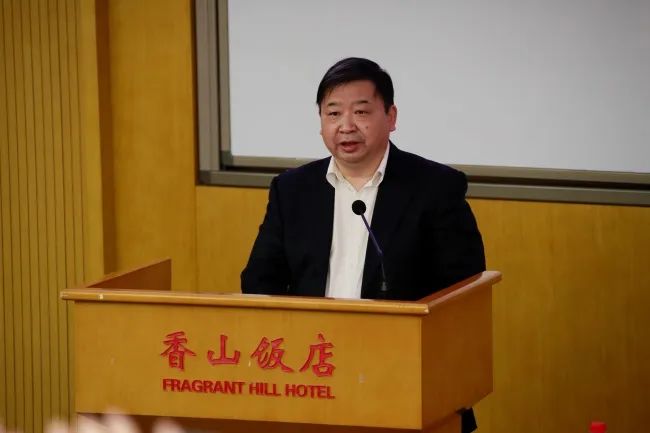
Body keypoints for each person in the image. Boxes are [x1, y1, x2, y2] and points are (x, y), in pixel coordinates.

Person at [241, 57, 485, 433]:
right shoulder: (292, 190)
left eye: (361, 111)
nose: (346, 126)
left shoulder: (435, 188)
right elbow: (259, 280)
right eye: (333, 113)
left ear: (391, 116)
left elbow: (463, 292)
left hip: (405, 380)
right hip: (312, 376)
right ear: (321, 122)